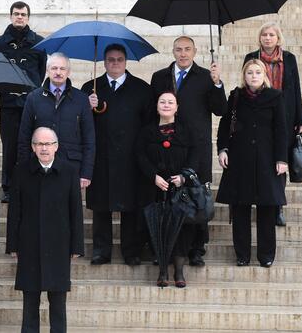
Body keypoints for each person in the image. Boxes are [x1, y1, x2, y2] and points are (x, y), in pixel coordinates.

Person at [150, 36, 226, 266]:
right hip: (167, 147)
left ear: (195, 52)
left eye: (187, 50)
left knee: (196, 197)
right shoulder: (160, 77)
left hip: (196, 148)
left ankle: (196, 249)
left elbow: (220, 109)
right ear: (172, 51)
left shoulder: (205, 76)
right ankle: (165, 246)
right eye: (178, 49)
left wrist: (217, 83)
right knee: (166, 197)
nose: (183, 54)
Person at [7, 127, 84, 333]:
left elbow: (75, 210)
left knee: (58, 304)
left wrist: (76, 244)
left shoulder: (69, 171)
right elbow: (15, 210)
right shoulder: (21, 170)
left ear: (56, 147)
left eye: (48, 144)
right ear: (32, 147)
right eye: (39, 144)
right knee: (30, 303)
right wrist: (12, 244)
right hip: (29, 243)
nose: (44, 148)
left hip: (59, 244)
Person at [81, 44, 152, 266]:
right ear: (104, 62)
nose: (115, 64)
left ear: (126, 61)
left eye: (119, 60)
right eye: (110, 60)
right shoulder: (90, 88)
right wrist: (87, 106)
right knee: (101, 205)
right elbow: (81, 124)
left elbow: (149, 124)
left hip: (131, 157)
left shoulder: (141, 89)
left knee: (130, 206)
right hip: (101, 157)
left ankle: (131, 250)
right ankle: (102, 250)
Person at [216, 59, 289, 268]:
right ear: (244, 76)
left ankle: (266, 255)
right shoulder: (236, 96)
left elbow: (281, 129)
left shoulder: (275, 97)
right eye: (249, 72)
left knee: (266, 209)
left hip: (267, 160)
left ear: (264, 75)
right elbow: (224, 126)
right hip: (240, 159)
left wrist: (281, 159)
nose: (253, 76)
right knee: (240, 209)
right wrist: (223, 149)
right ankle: (242, 254)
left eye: (258, 72)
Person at [244, 21, 302, 227]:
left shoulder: (289, 59)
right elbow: (245, 85)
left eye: (271, 35)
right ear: (259, 38)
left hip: (284, 118)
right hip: (257, 119)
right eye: (264, 35)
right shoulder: (251, 59)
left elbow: (295, 89)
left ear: (278, 38)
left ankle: (277, 205)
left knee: (280, 163)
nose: (268, 38)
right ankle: (257, 198)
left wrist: (300, 119)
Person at [135, 92, 198, 288]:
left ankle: (179, 271)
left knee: (181, 228)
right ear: (157, 106)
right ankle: (162, 270)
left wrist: (183, 177)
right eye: (162, 102)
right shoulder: (146, 131)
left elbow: (195, 155)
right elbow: (139, 156)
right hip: (154, 187)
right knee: (158, 226)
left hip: (180, 190)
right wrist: (153, 176)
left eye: (170, 102)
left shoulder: (187, 131)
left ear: (177, 107)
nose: (166, 105)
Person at [0, 1, 46, 203]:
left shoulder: (39, 43)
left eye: (23, 14)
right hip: (8, 104)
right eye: (16, 14)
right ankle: (8, 188)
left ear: (28, 17)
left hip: (30, 104)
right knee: (10, 146)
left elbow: (40, 73)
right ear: (11, 16)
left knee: (32, 144)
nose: (19, 17)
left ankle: (31, 184)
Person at [17, 52, 95, 188]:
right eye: (54, 68)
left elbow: (89, 138)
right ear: (47, 70)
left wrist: (86, 172)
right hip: (40, 165)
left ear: (68, 71)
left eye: (62, 68)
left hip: (71, 166)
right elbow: (24, 136)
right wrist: (25, 168)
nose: (58, 72)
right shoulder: (33, 98)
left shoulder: (81, 99)